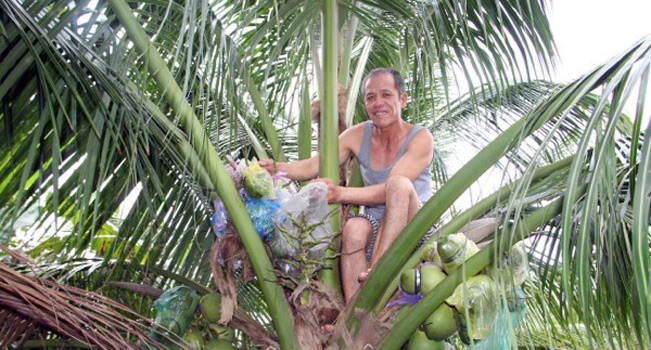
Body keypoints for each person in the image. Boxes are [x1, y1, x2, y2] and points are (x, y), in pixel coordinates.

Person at [260, 67, 435, 304]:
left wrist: (339, 193)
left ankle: (378, 272)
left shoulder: (420, 138)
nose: (377, 103)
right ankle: (353, 318)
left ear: (402, 99)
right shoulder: (360, 134)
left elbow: (390, 190)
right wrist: (275, 168)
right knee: (353, 229)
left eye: (386, 95)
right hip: (376, 231)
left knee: (399, 185)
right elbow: (314, 165)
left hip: (413, 229)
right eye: (370, 97)